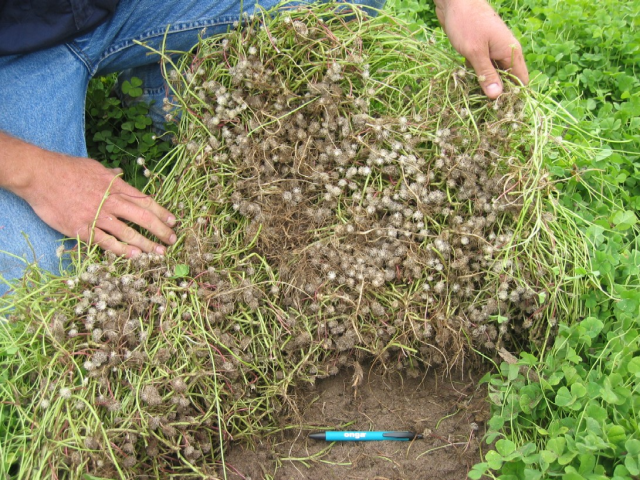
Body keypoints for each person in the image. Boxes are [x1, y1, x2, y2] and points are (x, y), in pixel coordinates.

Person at [0, 0, 529, 296]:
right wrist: (35, 172)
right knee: (40, 293)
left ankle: (156, 87)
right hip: (12, 55)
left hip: (121, 5)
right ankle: (155, 90)